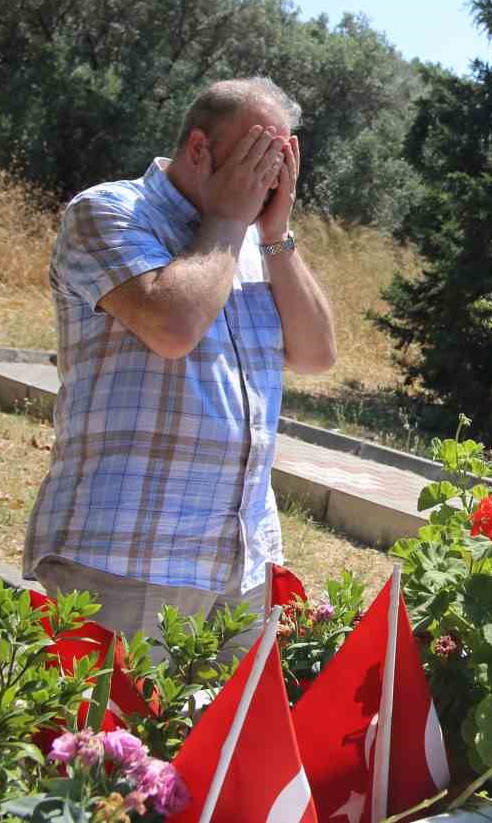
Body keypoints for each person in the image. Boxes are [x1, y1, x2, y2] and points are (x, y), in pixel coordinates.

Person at [24, 77, 337, 649]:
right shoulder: (107, 212)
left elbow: (318, 355)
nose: (270, 175)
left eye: (282, 160)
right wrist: (227, 221)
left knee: (223, 740)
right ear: (200, 149)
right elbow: (171, 327)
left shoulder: (253, 242)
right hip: (125, 558)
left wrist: (276, 235)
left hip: (240, 563)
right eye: (258, 155)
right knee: (103, 740)